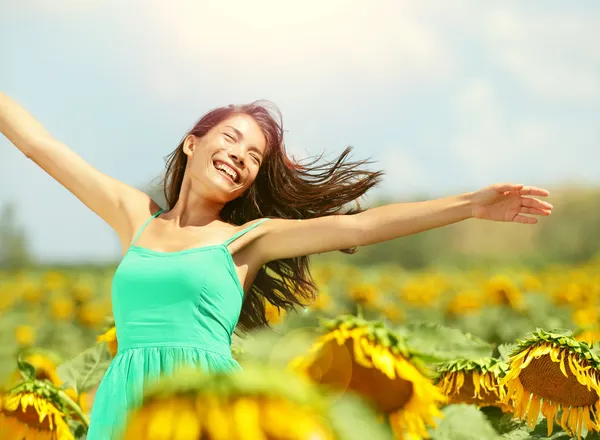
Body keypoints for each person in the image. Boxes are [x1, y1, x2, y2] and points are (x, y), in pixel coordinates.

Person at [0, 91, 553, 438]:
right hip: (122, 405)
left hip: (212, 410)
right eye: (231, 139)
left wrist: (470, 206)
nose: (240, 156)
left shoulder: (247, 241)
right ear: (192, 144)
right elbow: (39, 145)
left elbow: (359, 226)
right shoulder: (133, 217)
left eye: (253, 157)